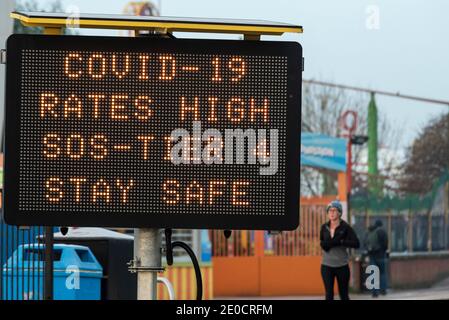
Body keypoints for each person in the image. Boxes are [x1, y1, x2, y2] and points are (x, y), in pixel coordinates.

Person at [320, 200, 360, 300]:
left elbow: (356, 243)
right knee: (329, 294)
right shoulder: (324, 227)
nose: (332, 213)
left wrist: (342, 242)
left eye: (334, 210)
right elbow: (322, 242)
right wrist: (328, 244)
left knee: (344, 294)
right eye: (329, 211)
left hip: (342, 265)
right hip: (326, 265)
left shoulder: (346, 228)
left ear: (339, 213)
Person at [364, 219, 389, 297]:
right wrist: (383, 251)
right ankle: (383, 290)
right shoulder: (382, 232)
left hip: (372, 255)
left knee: (373, 273)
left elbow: (365, 243)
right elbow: (385, 244)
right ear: (381, 225)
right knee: (382, 273)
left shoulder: (369, 231)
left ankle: (374, 292)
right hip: (381, 255)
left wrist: (369, 251)